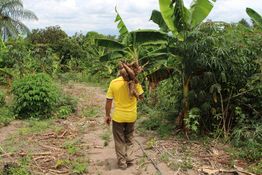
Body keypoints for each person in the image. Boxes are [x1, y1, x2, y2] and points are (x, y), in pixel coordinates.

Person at [104, 66, 144, 170]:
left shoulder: (114, 83)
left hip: (118, 117)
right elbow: (141, 97)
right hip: (131, 116)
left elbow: (109, 101)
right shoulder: (136, 82)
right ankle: (129, 158)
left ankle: (122, 163)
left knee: (119, 140)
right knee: (129, 138)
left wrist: (107, 115)